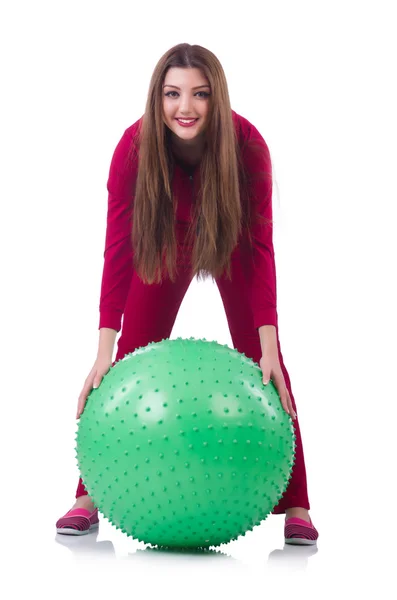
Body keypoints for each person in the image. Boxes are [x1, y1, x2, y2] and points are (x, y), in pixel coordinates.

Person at [56, 43, 319, 546]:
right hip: (167, 241)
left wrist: (267, 344)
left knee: (269, 367)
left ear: (216, 97)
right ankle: (87, 496)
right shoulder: (134, 147)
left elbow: (260, 249)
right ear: (157, 98)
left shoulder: (247, 145)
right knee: (129, 358)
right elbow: (118, 251)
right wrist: (103, 349)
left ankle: (299, 505)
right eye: (173, 93)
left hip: (232, 236)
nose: (186, 107)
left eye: (199, 94)